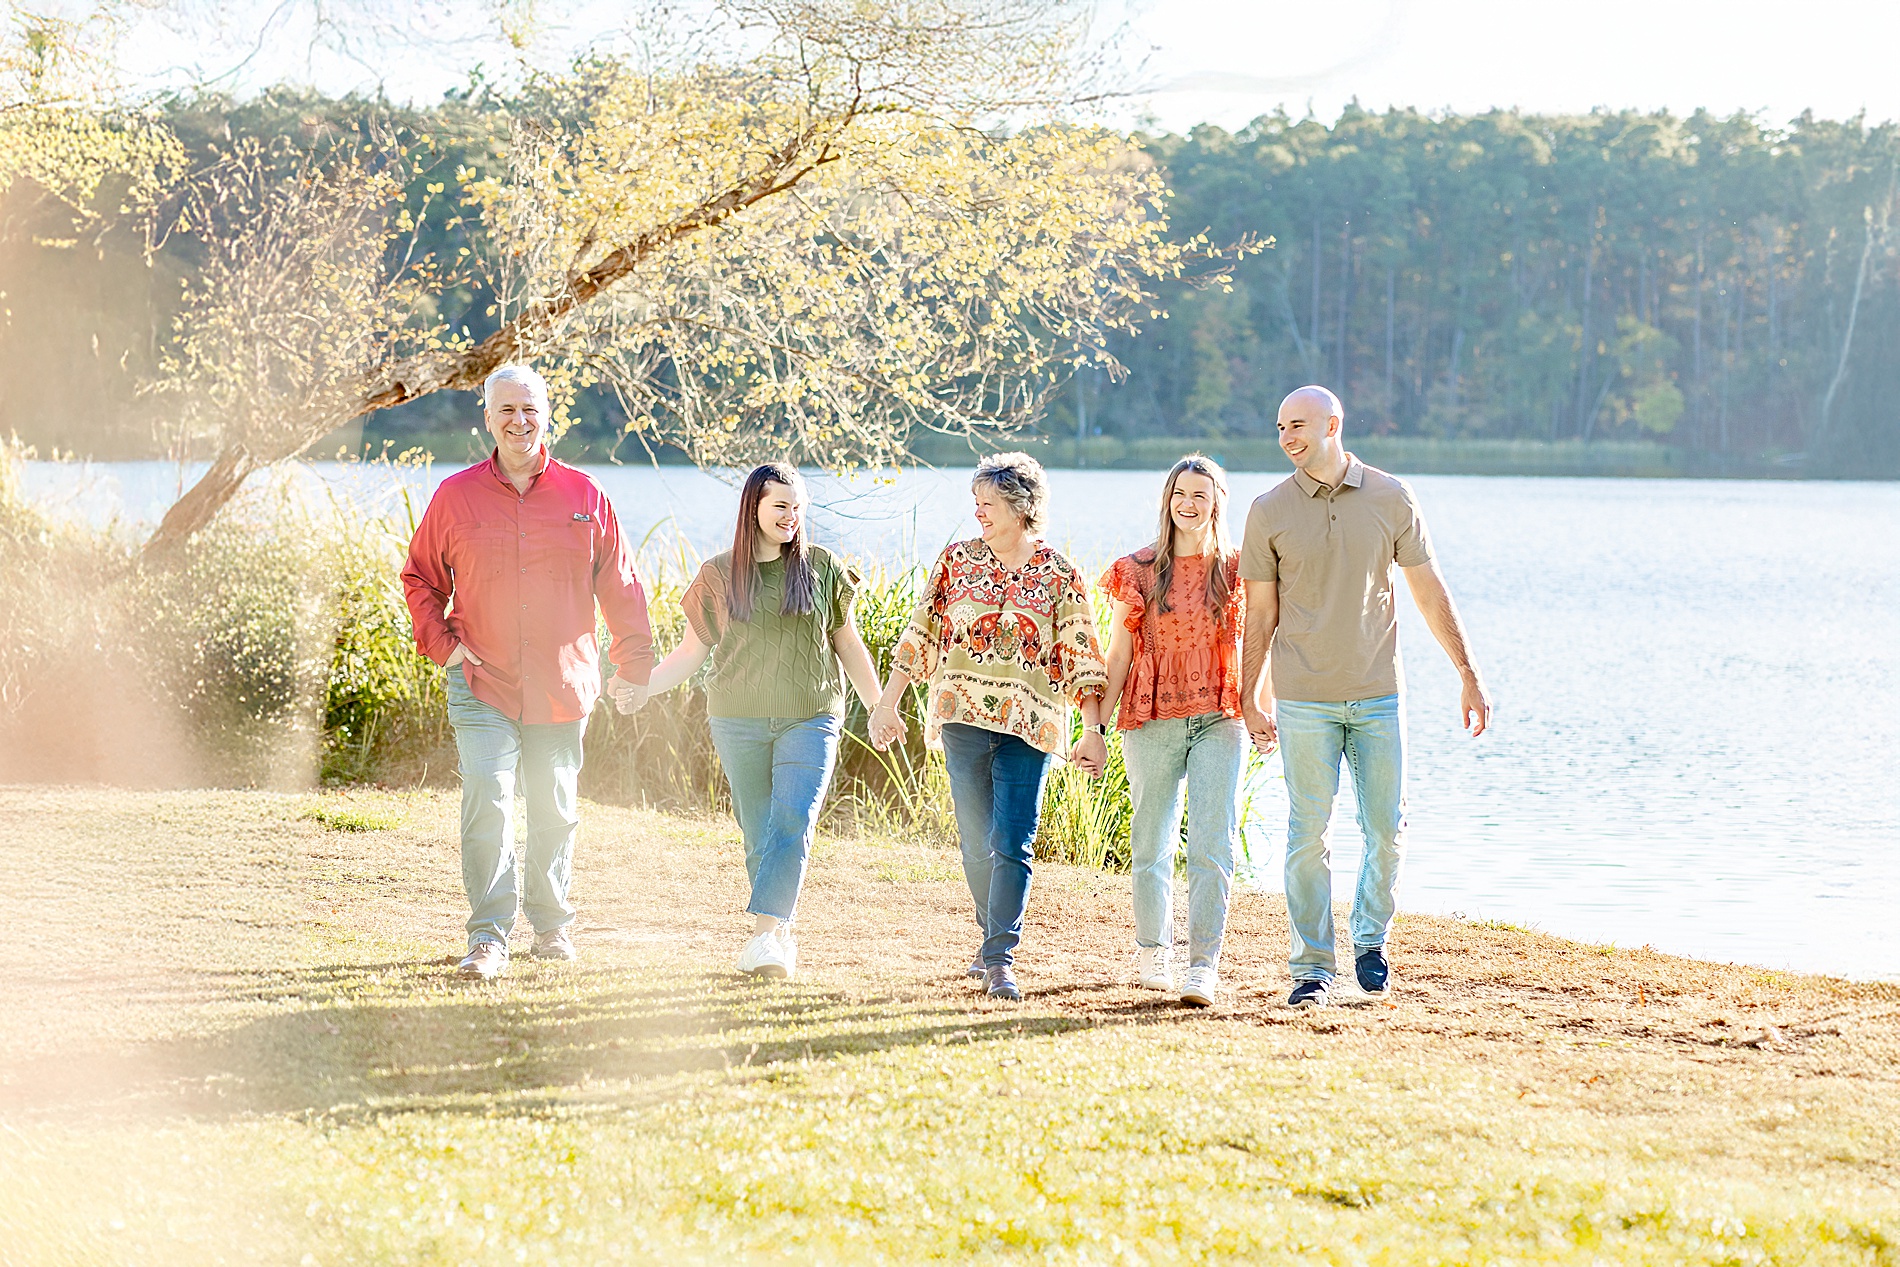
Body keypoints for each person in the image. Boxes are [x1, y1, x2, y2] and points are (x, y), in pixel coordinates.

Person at [1238, 385, 1493, 1009]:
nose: (1286, 437)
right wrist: (1249, 695)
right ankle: (1312, 966)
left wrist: (1468, 672)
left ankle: (1371, 941)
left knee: (1386, 827)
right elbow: (1260, 614)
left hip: (1378, 694)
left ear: (1334, 424)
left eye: (1297, 424)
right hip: (1303, 698)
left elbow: (1430, 591)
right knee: (1307, 832)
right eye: (1279, 427)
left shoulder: (1390, 496)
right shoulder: (1267, 510)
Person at [401, 364, 654, 981]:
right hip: (481, 683)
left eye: (530, 409)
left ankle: (551, 927)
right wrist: (448, 650)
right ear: (486, 418)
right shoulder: (455, 497)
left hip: (563, 685)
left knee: (553, 809)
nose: (519, 421)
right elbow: (420, 579)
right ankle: (488, 938)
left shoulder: (585, 497)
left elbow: (619, 585)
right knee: (487, 798)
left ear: (548, 416)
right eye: (506, 410)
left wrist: (636, 665)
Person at [870, 452, 1108, 1002]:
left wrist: (1093, 728)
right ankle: (989, 939)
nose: (978, 510)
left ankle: (1000, 957)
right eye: (975, 501)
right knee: (977, 842)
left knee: (1013, 842)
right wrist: (888, 704)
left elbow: (1081, 655)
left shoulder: (1059, 573)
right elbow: (920, 635)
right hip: (962, 716)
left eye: (989, 502)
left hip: (1031, 725)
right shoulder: (955, 561)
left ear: (1022, 506)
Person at [643, 463, 889, 980]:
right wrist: (643, 686)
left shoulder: (820, 567)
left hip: (812, 715)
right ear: (753, 507)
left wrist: (878, 705)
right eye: (781, 506)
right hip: (737, 720)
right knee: (760, 832)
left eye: (798, 507)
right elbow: (691, 653)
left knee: (794, 818)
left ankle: (763, 939)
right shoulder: (717, 574)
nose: (791, 517)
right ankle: (778, 933)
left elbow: (848, 643)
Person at [1100, 455, 1247, 1009]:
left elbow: (1259, 644)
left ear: (1217, 504)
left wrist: (1261, 708)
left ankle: (1202, 967)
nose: (1188, 504)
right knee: (1151, 840)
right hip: (1151, 716)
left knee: (1213, 843)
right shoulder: (1136, 570)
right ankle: (1152, 952)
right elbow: (1118, 652)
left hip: (1220, 717)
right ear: (1167, 499)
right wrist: (1094, 725)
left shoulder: (1238, 569)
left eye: (1200, 496)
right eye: (1179, 493)